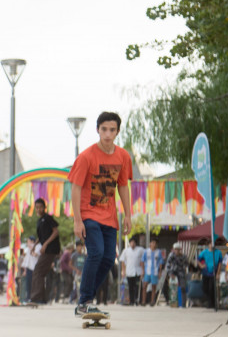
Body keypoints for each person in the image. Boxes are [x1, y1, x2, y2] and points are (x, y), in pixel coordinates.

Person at [69, 111, 133, 317]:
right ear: (97, 130)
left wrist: (128, 216)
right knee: (95, 253)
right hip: (89, 214)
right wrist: (77, 220)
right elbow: (76, 188)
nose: (107, 134)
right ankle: (85, 300)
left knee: (107, 259)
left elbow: (123, 186)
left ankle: (84, 298)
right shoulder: (86, 156)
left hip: (110, 217)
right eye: (104, 129)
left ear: (117, 132)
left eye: (112, 130)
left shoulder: (123, 156)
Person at [30, 198, 61, 304]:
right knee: (41, 272)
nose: (38, 209)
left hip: (51, 249)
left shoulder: (48, 218)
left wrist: (46, 244)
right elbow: (42, 236)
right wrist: (35, 245)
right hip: (46, 248)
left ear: (44, 208)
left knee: (38, 271)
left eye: (40, 207)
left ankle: (37, 297)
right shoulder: (40, 220)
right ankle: (42, 298)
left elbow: (55, 232)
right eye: (37, 207)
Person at [197, 241, 223, 309]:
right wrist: (201, 265)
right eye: (211, 244)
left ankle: (212, 303)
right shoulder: (204, 252)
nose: (212, 245)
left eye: (213, 244)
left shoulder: (218, 252)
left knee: (212, 288)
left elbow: (220, 263)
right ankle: (209, 302)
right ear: (208, 244)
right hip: (205, 272)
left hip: (214, 273)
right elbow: (198, 259)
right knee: (205, 288)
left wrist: (218, 273)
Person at [119, 237, 144, 306]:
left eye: (134, 242)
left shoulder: (140, 250)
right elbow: (122, 261)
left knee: (137, 287)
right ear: (129, 243)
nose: (132, 244)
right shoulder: (126, 250)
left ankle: (137, 300)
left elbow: (143, 260)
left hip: (137, 272)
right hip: (129, 272)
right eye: (131, 242)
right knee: (130, 287)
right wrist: (123, 271)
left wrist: (143, 270)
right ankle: (131, 301)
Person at [140, 238, 163, 306]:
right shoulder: (146, 251)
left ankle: (152, 301)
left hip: (155, 271)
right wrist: (143, 271)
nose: (154, 244)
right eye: (152, 242)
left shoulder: (158, 252)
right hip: (147, 271)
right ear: (150, 243)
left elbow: (161, 262)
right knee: (144, 286)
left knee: (154, 287)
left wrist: (160, 272)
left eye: (155, 243)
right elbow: (142, 261)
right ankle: (143, 301)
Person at [165, 243, 188, 307]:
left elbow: (186, 264)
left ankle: (183, 304)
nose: (177, 251)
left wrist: (185, 269)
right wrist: (170, 273)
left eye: (178, 250)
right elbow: (168, 265)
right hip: (173, 272)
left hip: (181, 272)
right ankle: (173, 303)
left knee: (183, 287)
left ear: (180, 250)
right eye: (175, 249)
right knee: (173, 289)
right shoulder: (171, 255)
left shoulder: (184, 256)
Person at [20, 237, 39, 302]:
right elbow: (26, 260)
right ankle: (28, 297)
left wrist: (32, 247)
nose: (27, 243)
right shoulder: (28, 249)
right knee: (28, 284)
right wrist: (25, 270)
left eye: (28, 241)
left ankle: (32, 297)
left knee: (33, 284)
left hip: (34, 268)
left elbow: (35, 254)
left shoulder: (36, 247)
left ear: (32, 241)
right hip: (28, 268)